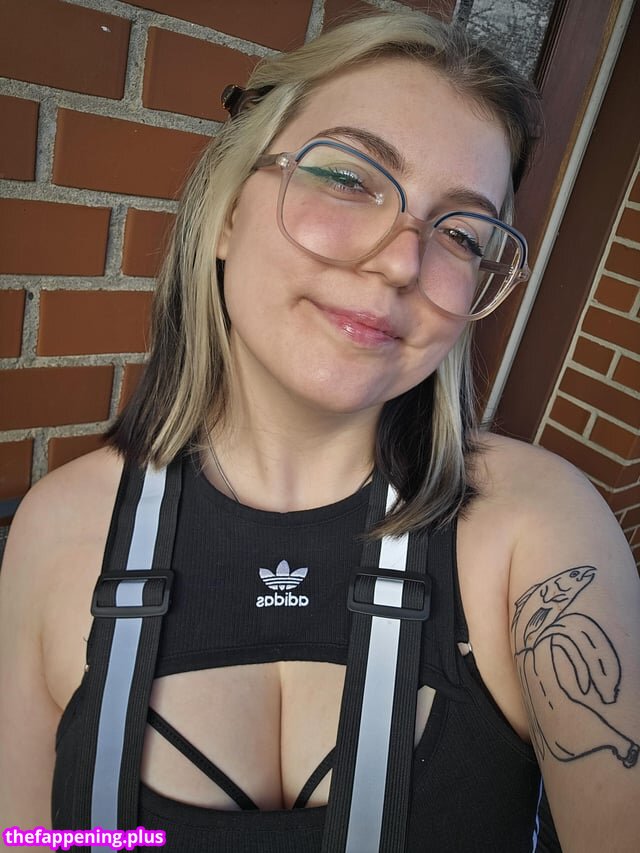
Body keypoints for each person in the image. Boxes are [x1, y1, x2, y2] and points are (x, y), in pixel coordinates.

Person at [1, 10, 638, 853]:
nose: (401, 260)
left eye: (460, 232)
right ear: (227, 212)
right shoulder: (57, 530)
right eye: (347, 178)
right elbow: (25, 837)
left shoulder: (538, 529)